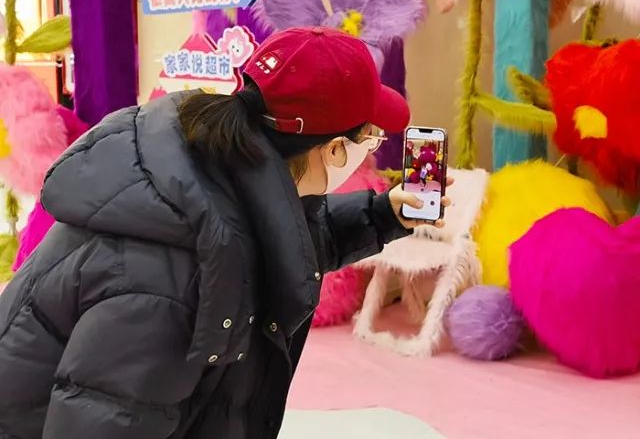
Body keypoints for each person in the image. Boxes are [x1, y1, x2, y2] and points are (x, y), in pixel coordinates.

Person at [0, 27, 449, 439]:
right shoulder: (164, 279)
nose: (371, 149)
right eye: (370, 139)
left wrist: (382, 215)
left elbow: (279, 244)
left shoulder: (215, 165)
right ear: (334, 151)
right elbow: (104, 423)